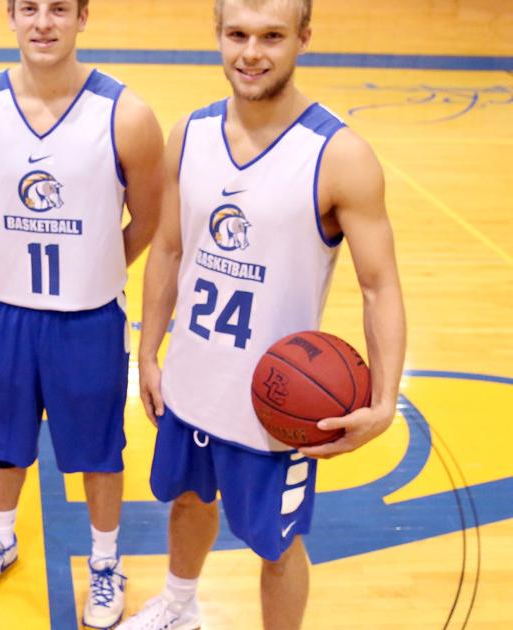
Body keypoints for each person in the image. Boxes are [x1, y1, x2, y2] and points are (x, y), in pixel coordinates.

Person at [119, 0, 407, 628]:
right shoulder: (188, 135)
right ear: (218, 36)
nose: (252, 52)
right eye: (238, 34)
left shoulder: (339, 155)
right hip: (192, 381)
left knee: (277, 547)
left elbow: (379, 285)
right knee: (189, 500)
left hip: (279, 406)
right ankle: (178, 605)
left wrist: (384, 402)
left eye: (272, 36)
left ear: (303, 37)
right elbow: (168, 248)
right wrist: (148, 348)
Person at [0, 1, 164, 627]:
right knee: (4, 445)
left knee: (99, 451)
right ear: (11, 18)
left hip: (88, 319)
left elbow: (149, 217)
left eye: (59, 9)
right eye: (29, 9)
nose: (44, 22)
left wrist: (98, 265)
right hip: (6, 311)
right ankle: (1, 538)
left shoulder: (125, 115)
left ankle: (104, 563)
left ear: (82, 17)